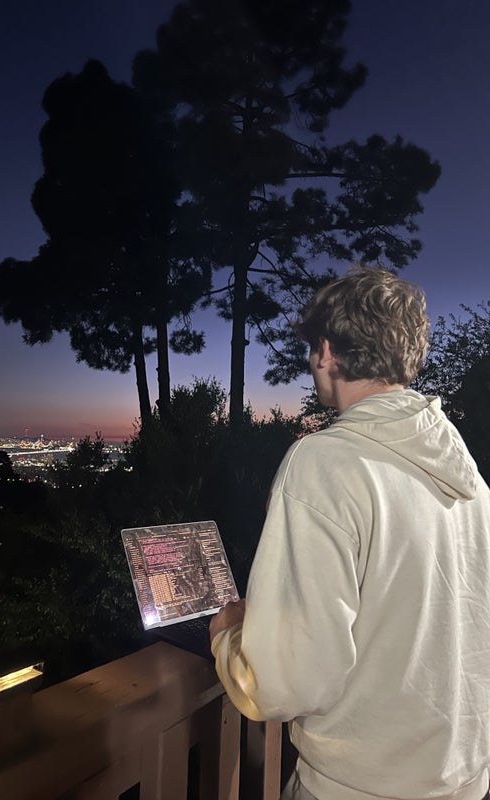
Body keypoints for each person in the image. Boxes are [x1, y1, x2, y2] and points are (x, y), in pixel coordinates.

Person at [209, 266, 490, 800]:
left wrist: (230, 638)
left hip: (359, 786)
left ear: (326, 351)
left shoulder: (324, 463)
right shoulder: (466, 473)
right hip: (466, 777)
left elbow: (287, 680)